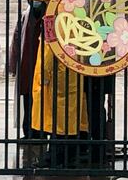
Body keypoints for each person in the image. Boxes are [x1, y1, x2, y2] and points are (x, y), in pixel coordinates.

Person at [31, 37, 90, 167]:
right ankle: (70, 155)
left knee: (58, 121)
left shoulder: (54, 20)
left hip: (58, 76)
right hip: (73, 72)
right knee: (70, 119)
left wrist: (43, 76)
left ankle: (55, 156)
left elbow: (48, 51)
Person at [8, 0, 45, 139]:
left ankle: (41, 130)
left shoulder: (49, 14)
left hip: (43, 64)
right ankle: (29, 131)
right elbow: (16, 40)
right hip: (28, 63)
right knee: (28, 99)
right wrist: (13, 64)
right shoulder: (24, 16)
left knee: (42, 99)